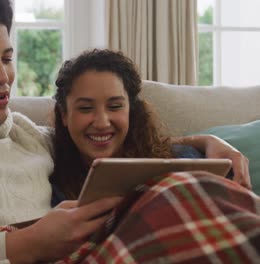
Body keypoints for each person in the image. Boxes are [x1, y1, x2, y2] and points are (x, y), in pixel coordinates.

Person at [0, 0, 252, 263]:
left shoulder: (24, 135)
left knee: (185, 186)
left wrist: (202, 143)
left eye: (6, 57)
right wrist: (20, 246)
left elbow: (103, 141)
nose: (3, 77)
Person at [49, 49, 260, 262]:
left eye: (115, 106)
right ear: (64, 114)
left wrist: (208, 141)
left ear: (131, 110)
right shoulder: (51, 183)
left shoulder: (181, 158)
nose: (102, 122)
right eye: (85, 108)